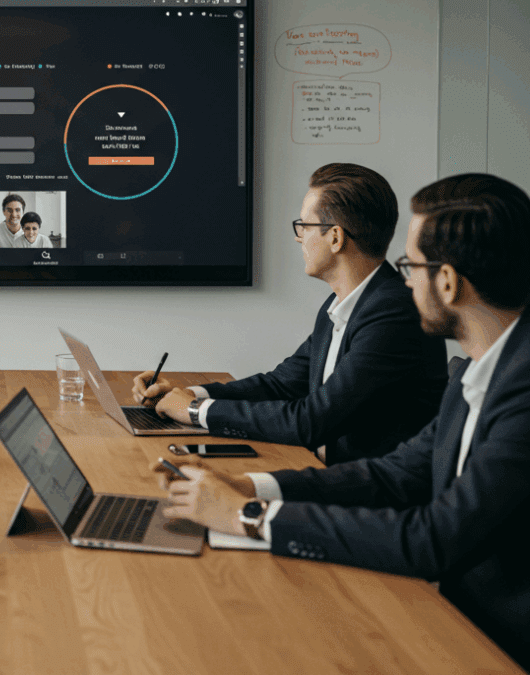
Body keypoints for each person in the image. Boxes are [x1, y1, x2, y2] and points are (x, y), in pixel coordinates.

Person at [152, 173, 530, 670]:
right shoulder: (477, 371)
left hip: (492, 646)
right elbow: (392, 473)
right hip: (446, 613)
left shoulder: (521, 393)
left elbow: (434, 538)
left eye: (410, 265)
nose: (406, 280)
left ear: (447, 283)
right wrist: (250, 487)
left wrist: (248, 518)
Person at [133, 163, 447, 464]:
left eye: (304, 226)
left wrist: (194, 410)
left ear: (335, 237)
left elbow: (310, 421)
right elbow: (281, 385)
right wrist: (190, 394)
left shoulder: (395, 313)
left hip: (366, 496)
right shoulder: (341, 304)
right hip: (325, 473)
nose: (299, 238)